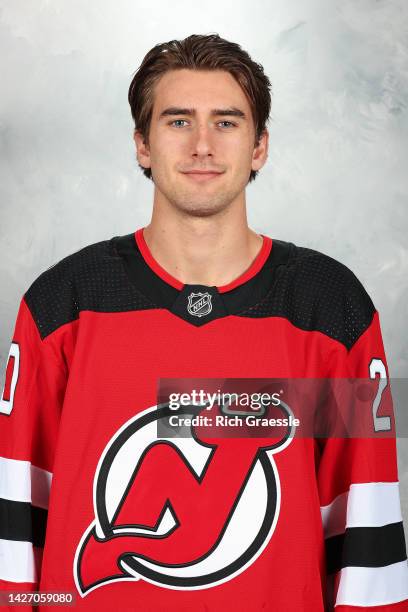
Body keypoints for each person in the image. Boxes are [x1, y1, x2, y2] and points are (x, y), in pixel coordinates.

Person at [0, 33, 407, 612]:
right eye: (177, 121)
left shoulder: (330, 309)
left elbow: (366, 538)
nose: (201, 146)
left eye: (226, 122)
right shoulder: (64, 305)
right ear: (142, 144)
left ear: (260, 146)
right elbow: (15, 528)